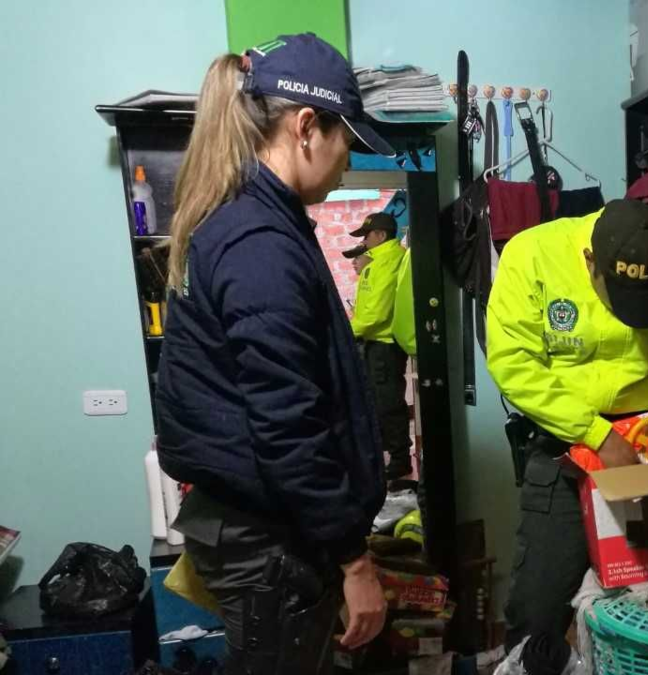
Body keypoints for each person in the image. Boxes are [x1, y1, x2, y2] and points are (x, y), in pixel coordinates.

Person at [155, 33, 396, 674]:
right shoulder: (259, 241)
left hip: (259, 532)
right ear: (306, 126)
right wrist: (355, 563)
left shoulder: (249, 218)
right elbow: (288, 425)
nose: (348, 162)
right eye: (347, 141)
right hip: (268, 543)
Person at [486, 200, 648, 649]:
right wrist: (596, 436)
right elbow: (513, 364)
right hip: (564, 446)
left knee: (647, 606)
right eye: (619, 295)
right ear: (590, 262)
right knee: (537, 610)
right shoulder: (533, 254)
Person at [346, 212, 413, 488]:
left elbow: (376, 313)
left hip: (384, 344)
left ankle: (400, 460)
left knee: (388, 403)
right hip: (374, 342)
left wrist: (346, 332)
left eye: (367, 235)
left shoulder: (387, 261)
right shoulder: (378, 261)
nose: (364, 241)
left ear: (381, 235)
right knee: (377, 401)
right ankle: (391, 456)